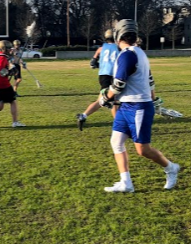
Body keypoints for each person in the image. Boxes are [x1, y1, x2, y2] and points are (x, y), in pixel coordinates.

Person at [98, 19, 180, 193]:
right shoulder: (139, 52)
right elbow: (150, 80)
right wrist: (153, 97)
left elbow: (119, 84)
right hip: (127, 106)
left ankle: (171, 168)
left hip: (137, 107)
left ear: (118, 35)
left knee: (142, 150)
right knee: (116, 142)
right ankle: (126, 182)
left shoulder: (127, 54)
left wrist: (106, 97)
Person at [76, 29, 119, 131]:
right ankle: (119, 125)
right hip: (113, 75)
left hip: (103, 76)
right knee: (112, 100)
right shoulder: (119, 47)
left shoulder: (100, 48)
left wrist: (102, 65)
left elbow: (93, 64)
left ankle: (83, 115)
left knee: (102, 100)